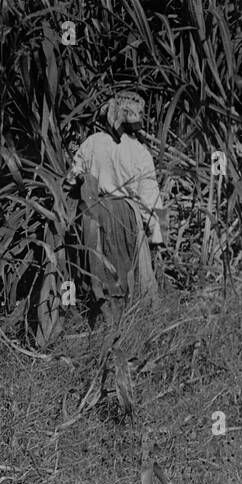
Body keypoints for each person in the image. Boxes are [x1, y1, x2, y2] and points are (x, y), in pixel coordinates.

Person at [62, 90, 164, 327]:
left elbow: (70, 180)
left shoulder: (91, 143)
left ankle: (101, 324)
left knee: (98, 270)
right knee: (131, 273)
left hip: (93, 214)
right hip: (127, 216)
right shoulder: (139, 151)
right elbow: (151, 198)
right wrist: (158, 237)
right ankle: (129, 327)